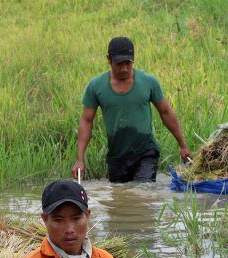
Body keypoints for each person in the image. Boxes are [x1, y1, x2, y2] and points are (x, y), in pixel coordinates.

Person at [71, 36, 191, 183]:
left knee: (142, 191)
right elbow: (86, 120)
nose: (124, 69)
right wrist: (80, 160)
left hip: (146, 152)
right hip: (116, 157)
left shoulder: (148, 82)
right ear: (109, 59)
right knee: (120, 199)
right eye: (119, 64)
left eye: (128, 63)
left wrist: (183, 145)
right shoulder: (96, 86)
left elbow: (165, 112)